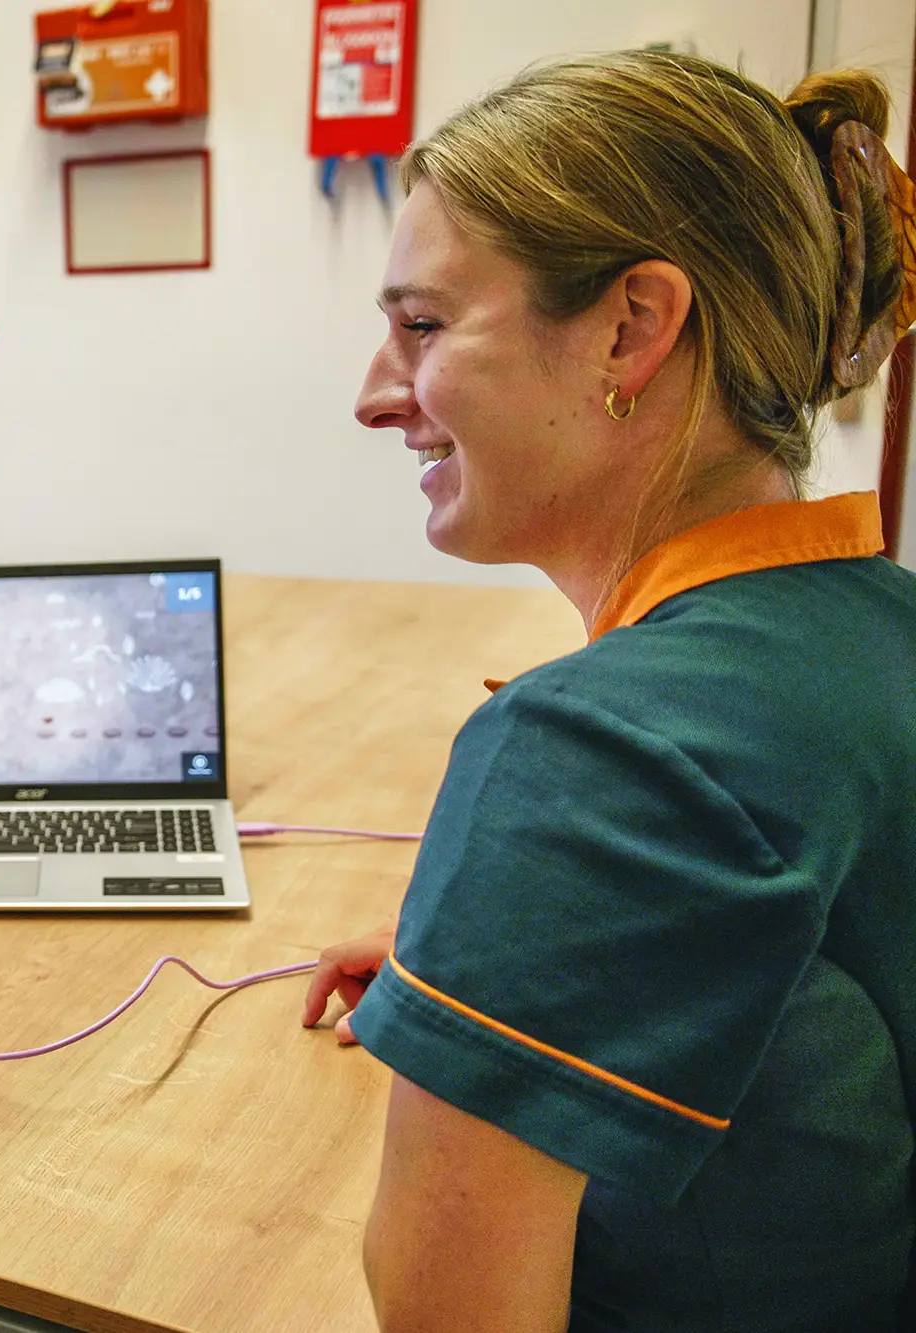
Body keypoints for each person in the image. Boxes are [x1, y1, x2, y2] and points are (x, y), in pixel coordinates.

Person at [301, 52, 916, 1332]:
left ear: (632, 326)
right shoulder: (881, 632)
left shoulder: (591, 746)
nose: (373, 396)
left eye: (423, 327)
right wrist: (496, 961)